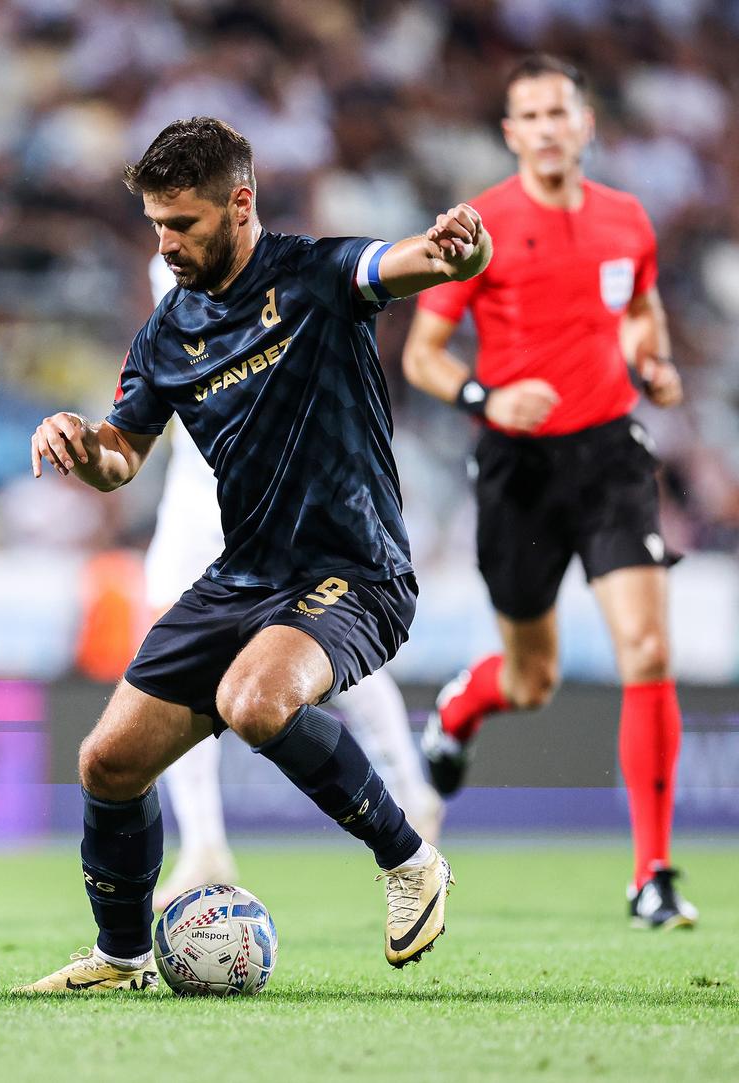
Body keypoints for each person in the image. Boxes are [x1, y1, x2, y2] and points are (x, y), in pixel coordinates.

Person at [19, 116, 490, 993]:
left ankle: (410, 859)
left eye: (183, 224)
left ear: (241, 204)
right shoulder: (170, 328)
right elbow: (123, 456)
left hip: (355, 572)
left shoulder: (315, 275)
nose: (166, 244)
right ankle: (123, 957)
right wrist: (83, 446)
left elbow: (414, 262)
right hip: (245, 576)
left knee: (255, 700)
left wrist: (459, 251)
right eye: (156, 224)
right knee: (108, 763)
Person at [404, 55, 696, 930]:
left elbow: (641, 309)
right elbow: (422, 355)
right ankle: (461, 707)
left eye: (558, 112)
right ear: (510, 134)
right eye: (528, 115)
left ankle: (652, 874)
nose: (546, 128)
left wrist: (655, 358)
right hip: (518, 466)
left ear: (586, 122)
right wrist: (485, 398)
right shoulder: (482, 224)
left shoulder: (627, 220)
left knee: (647, 649)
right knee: (533, 679)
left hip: (609, 454)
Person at [141, 254, 443, 909]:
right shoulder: (174, 277)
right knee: (171, 662)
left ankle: (408, 791)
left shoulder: (283, 278)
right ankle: (202, 844)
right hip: (194, 503)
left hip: (274, 503)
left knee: (321, 659)